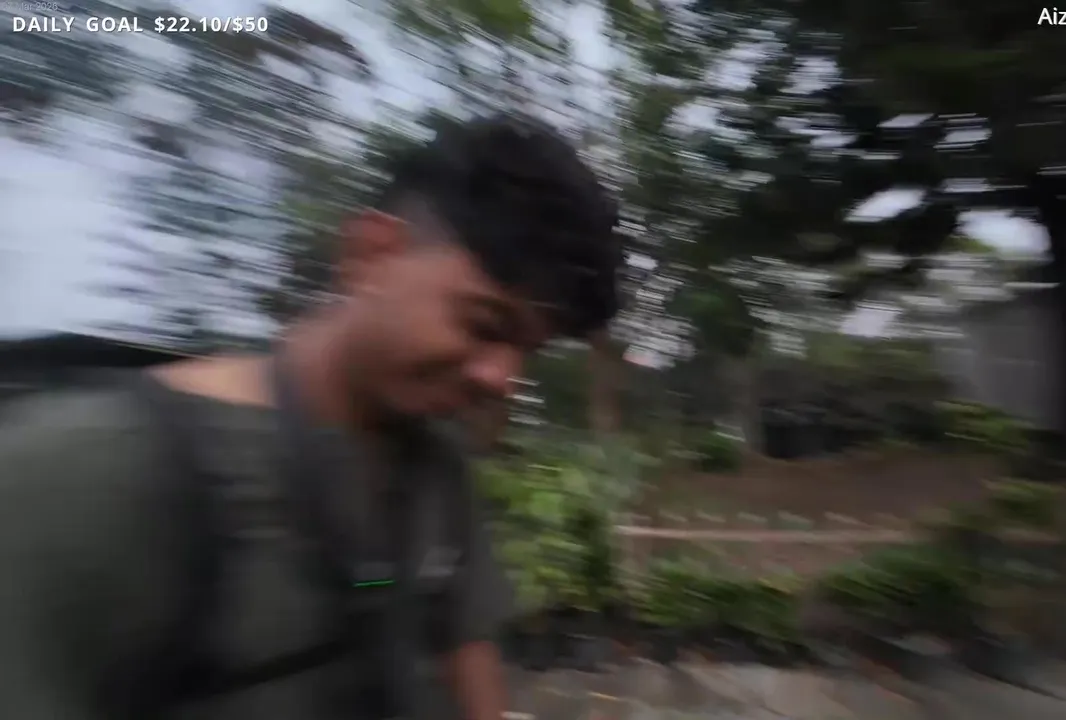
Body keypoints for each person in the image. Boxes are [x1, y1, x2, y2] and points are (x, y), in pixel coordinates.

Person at [0, 113, 621, 720]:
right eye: (483, 325)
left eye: (527, 351)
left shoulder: (436, 464)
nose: (501, 378)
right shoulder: (90, 471)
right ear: (371, 253)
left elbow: (463, 644)